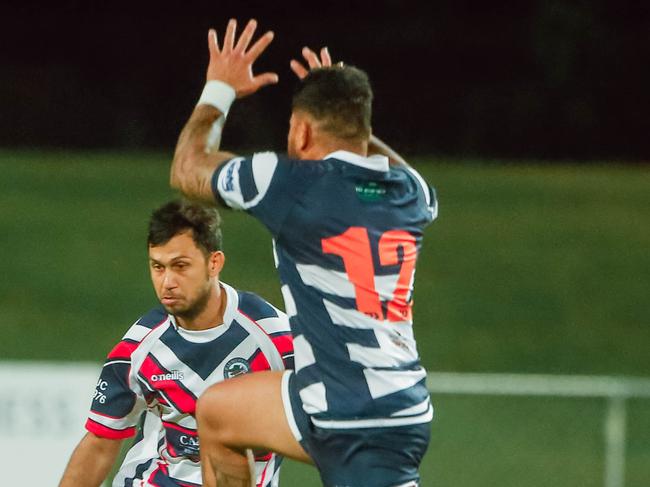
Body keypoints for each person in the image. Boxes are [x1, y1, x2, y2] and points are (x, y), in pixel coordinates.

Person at [170, 18, 438, 487]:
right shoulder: (409, 193)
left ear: (302, 131)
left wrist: (219, 89)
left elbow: (188, 168)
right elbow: (378, 156)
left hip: (351, 417)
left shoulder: (293, 184)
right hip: (388, 402)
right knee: (216, 411)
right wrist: (345, 107)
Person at [58, 200, 294, 487]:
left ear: (214, 263)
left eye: (180, 266)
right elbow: (100, 442)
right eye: (158, 267)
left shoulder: (275, 336)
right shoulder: (139, 347)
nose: (167, 281)